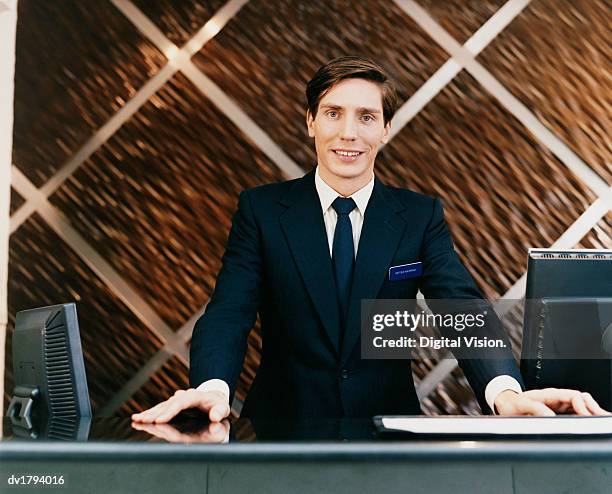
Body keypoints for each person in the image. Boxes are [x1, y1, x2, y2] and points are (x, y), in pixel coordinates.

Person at [133, 56, 609, 425]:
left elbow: (460, 307)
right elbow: (229, 310)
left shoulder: (419, 217)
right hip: (280, 432)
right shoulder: (261, 210)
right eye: (333, 113)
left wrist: (506, 392)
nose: (348, 132)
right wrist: (214, 388)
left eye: (365, 117)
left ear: (385, 129)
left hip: (388, 432)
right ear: (310, 123)